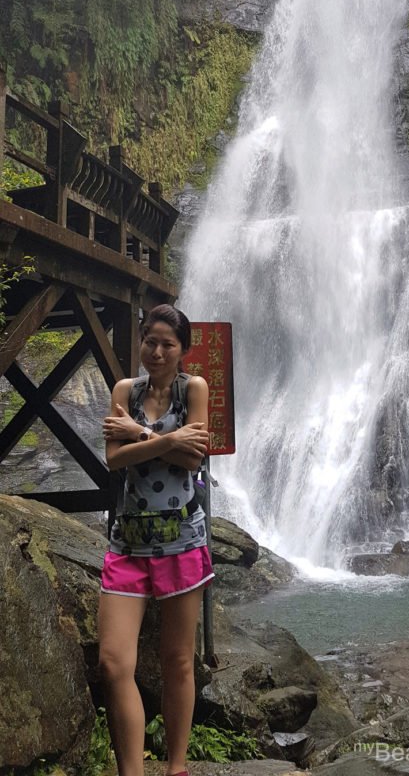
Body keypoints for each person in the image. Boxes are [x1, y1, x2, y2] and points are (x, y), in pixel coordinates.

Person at [98, 303, 214, 776]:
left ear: (183, 349)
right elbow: (113, 459)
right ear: (141, 342)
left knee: (177, 661)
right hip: (128, 542)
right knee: (112, 663)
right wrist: (168, 439)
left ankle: (177, 766)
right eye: (151, 341)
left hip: (182, 541)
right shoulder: (125, 389)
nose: (158, 350)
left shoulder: (195, 389)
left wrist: (139, 434)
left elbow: (194, 460)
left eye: (168, 343)